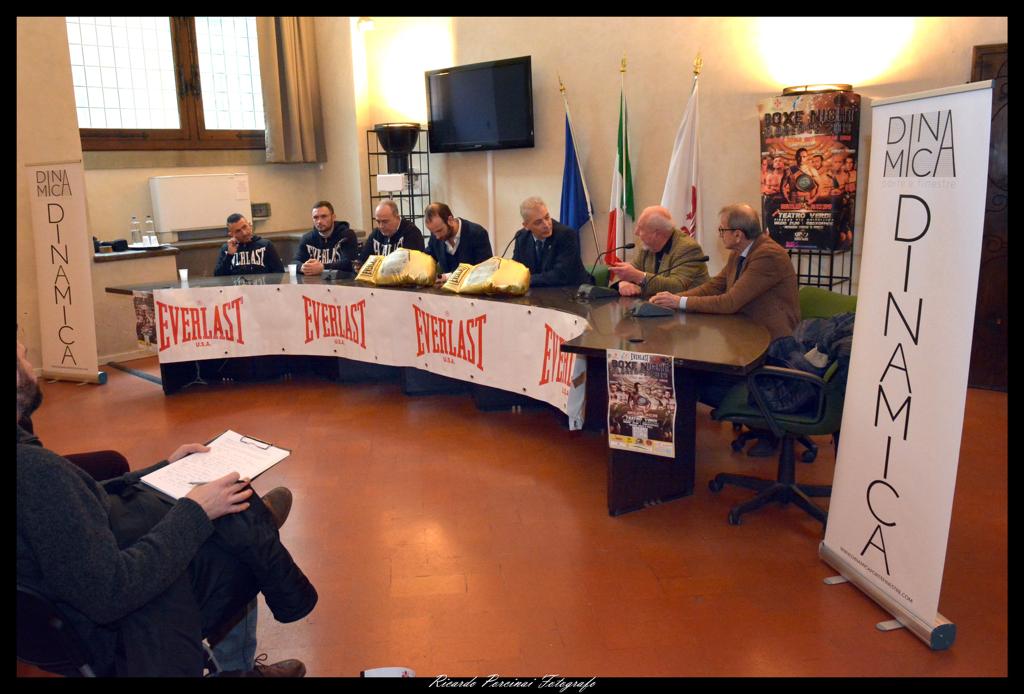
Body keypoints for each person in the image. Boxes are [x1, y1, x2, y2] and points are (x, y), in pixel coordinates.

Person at [16, 339, 317, 677]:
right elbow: (111, 593)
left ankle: (262, 537)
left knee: (230, 507)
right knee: (236, 525)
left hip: (61, 602)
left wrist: (161, 470)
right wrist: (196, 512)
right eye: (22, 355)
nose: (29, 360)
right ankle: (245, 663)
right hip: (108, 630)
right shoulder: (36, 472)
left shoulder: (37, 473)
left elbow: (75, 500)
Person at [650, 203, 799, 423]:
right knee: (693, 372)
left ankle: (760, 425)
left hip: (771, 343)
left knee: (696, 378)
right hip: (744, 331)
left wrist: (679, 301)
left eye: (722, 230)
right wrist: (674, 299)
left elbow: (729, 302)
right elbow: (715, 286)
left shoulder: (767, 255)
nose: (720, 234)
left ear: (738, 234)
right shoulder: (741, 252)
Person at [607, 205, 710, 298]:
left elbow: (677, 286)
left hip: (690, 310)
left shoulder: (688, 249)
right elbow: (631, 272)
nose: (636, 232)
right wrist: (623, 283)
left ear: (656, 234)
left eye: (641, 228)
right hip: (658, 307)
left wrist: (638, 276)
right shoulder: (647, 247)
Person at [511, 196, 591, 287]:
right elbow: (515, 269)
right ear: (526, 226)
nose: (546, 225)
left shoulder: (566, 235)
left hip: (572, 290)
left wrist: (526, 279)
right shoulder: (521, 237)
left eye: (547, 217)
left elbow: (561, 275)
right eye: (538, 222)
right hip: (539, 291)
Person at [424, 202, 493, 279]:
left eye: (440, 230)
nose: (437, 236)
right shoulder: (435, 236)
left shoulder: (477, 233)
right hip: (445, 286)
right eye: (433, 232)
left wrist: (447, 277)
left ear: (450, 220)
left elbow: (485, 269)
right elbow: (426, 258)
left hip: (472, 285)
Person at [355, 199, 426, 268]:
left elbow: (410, 265)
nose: (381, 226)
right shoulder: (376, 234)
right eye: (378, 221)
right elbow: (363, 261)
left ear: (397, 218)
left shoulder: (411, 233)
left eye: (385, 222)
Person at [294, 201, 359, 275]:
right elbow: (295, 262)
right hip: (314, 281)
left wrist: (323, 267)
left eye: (323, 216)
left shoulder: (346, 235)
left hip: (341, 280)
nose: (319, 221)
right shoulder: (307, 238)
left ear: (333, 217)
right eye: (315, 217)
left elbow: (349, 263)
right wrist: (303, 267)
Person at [214, 213, 285, 276]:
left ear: (250, 225)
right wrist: (229, 255)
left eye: (244, 227)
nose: (244, 233)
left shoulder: (266, 245)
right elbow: (219, 276)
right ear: (231, 234)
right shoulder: (226, 248)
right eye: (238, 231)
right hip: (236, 287)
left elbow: (279, 272)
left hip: (263, 286)